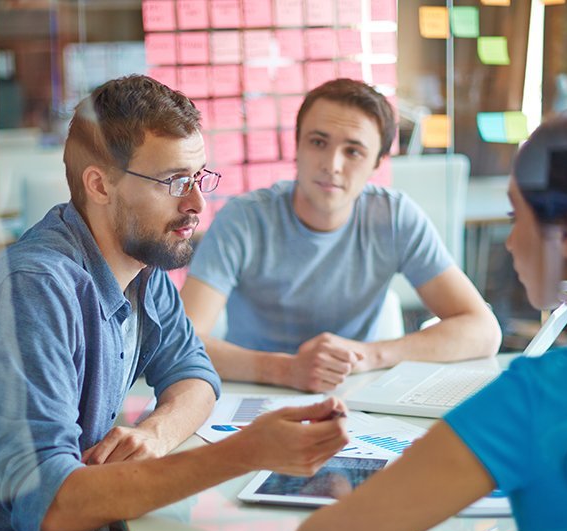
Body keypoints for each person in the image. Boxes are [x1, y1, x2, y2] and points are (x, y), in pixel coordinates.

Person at [0, 75, 348, 531]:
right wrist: (246, 452)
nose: (198, 202)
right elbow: (51, 506)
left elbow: (194, 374)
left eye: (200, 175)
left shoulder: (139, 264)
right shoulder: (33, 292)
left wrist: (155, 436)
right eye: (175, 181)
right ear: (101, 185)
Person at [287, 111, 567, 531]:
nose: (510, 241)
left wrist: (339, 491)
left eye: (516, 217)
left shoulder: (538, 396)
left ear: (566, 234)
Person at [181, 79, 501, 393]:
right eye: (318, 142)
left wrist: (370, 355)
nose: (332, 165)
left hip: (354, 392)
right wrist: (287, 370)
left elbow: (483, 330)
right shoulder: (244, 219)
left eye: (353, 151)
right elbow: (182, 342)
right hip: (253, 394)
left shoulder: (395, 217)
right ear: (297, 146)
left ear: (377, 163)